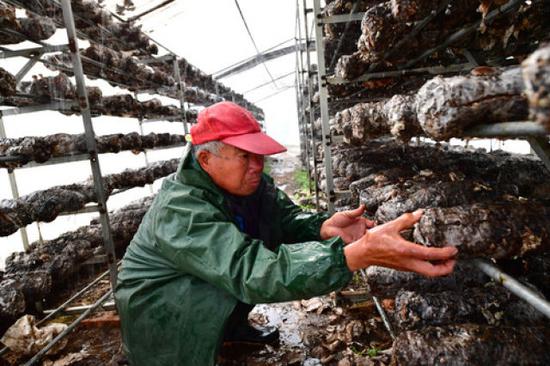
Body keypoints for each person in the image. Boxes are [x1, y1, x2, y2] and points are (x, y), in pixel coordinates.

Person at [115, 101, 457, 366]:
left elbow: (283, 218)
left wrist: (322, 227)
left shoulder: (249, 184)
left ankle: (231, 330)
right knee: (236, 271)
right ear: (205, 159)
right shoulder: (181, 209)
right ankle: (177, 352)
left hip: (199, 287)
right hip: (161, 308)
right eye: (245, 157)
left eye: (259, 157)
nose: (257, 167)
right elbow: (250, 271)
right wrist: (352, 256)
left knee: (243, 254)